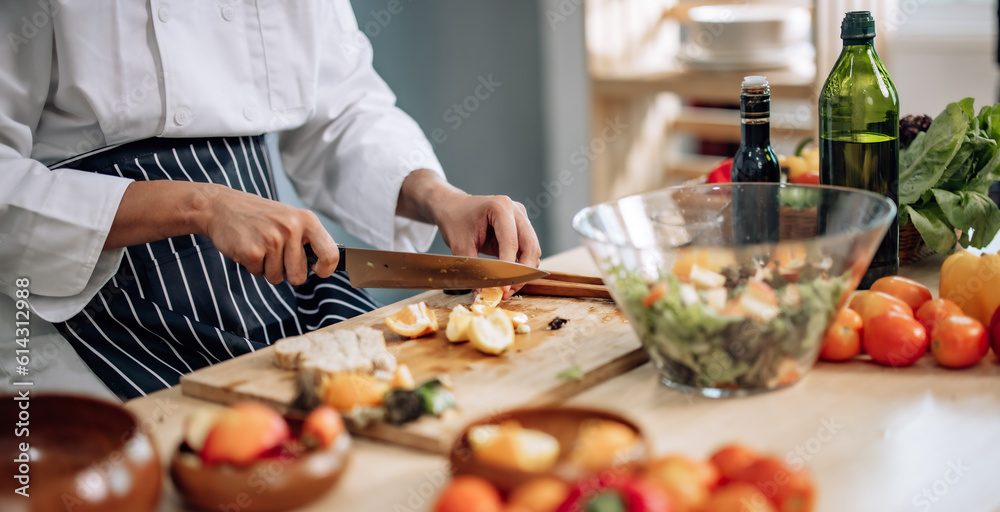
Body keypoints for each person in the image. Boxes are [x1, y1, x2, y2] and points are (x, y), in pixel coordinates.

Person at [0, 2, 540, 399]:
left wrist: (440, 198)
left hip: (272, 280)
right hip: (81, 300)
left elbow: (342, 110)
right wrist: (202, 206)